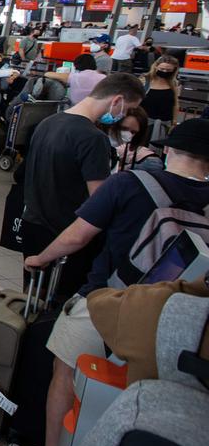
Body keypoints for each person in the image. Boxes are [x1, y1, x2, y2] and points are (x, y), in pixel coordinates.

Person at [9, 119, 209, 446]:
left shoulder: (128, 183)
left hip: (108, 299)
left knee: (65, 370)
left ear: (170, 150)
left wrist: (40, 258)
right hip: (176, 318)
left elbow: (77, 236)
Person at [21, 73, 147, 300]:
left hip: (33, 225)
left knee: (31, 299)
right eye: (128, 109)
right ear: (117, 100)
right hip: (65, 239)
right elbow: (99, 202)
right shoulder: (92, 138)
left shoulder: (47, 122)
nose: (124, 116)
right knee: (58, 306)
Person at [110, 107, 162, 173]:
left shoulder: (117, 147)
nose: (127, 134)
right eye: (124, 128)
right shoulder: (111, 145)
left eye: (133, 132)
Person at [142, 54, 180, 140]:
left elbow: (176, 104)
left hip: (165, 123)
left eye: (168, 70)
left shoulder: (174, 83)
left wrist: (174, 123)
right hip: (145, 122)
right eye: (162, 69)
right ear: (156, 66)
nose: (165, 72)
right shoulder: (145, 80)